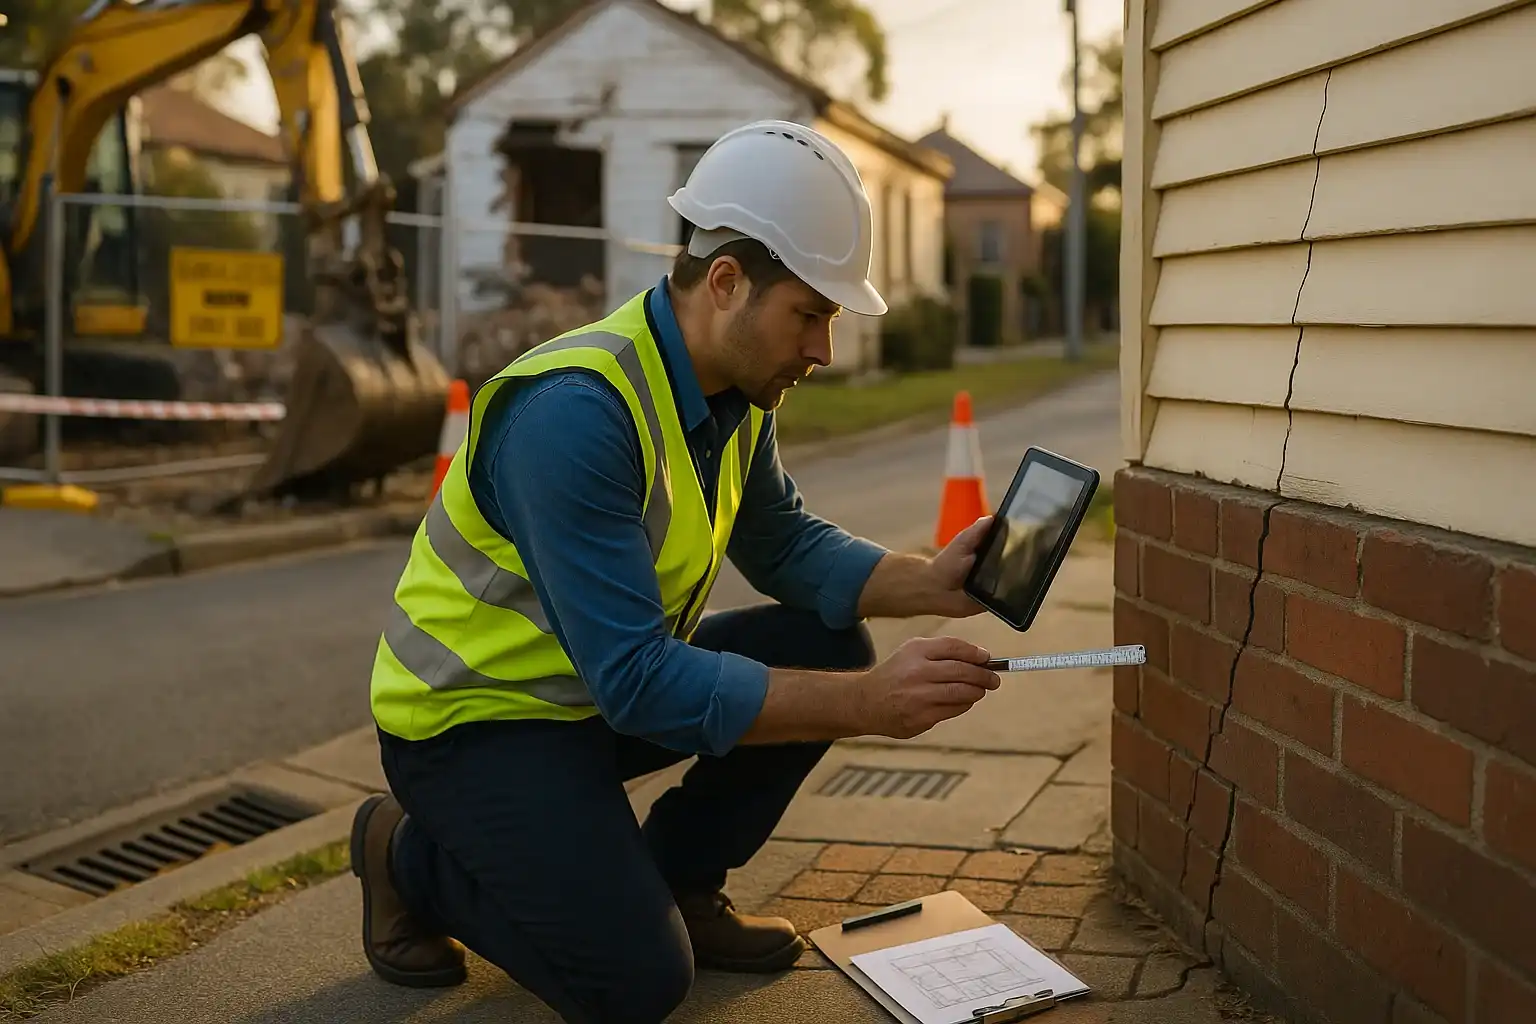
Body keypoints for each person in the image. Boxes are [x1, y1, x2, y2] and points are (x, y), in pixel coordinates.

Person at [350, 119, 1002, 1024]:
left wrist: (930, 580)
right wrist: (867, 708)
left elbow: (781, 546)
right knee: (635, 985)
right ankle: (402, 853)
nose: (823, 349)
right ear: (727, 282)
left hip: (580, 704)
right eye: (810, 315)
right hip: (474, 725)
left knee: (825, 635)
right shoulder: (575, 416)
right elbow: (641, 683)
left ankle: (677, 887)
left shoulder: (736, 388)